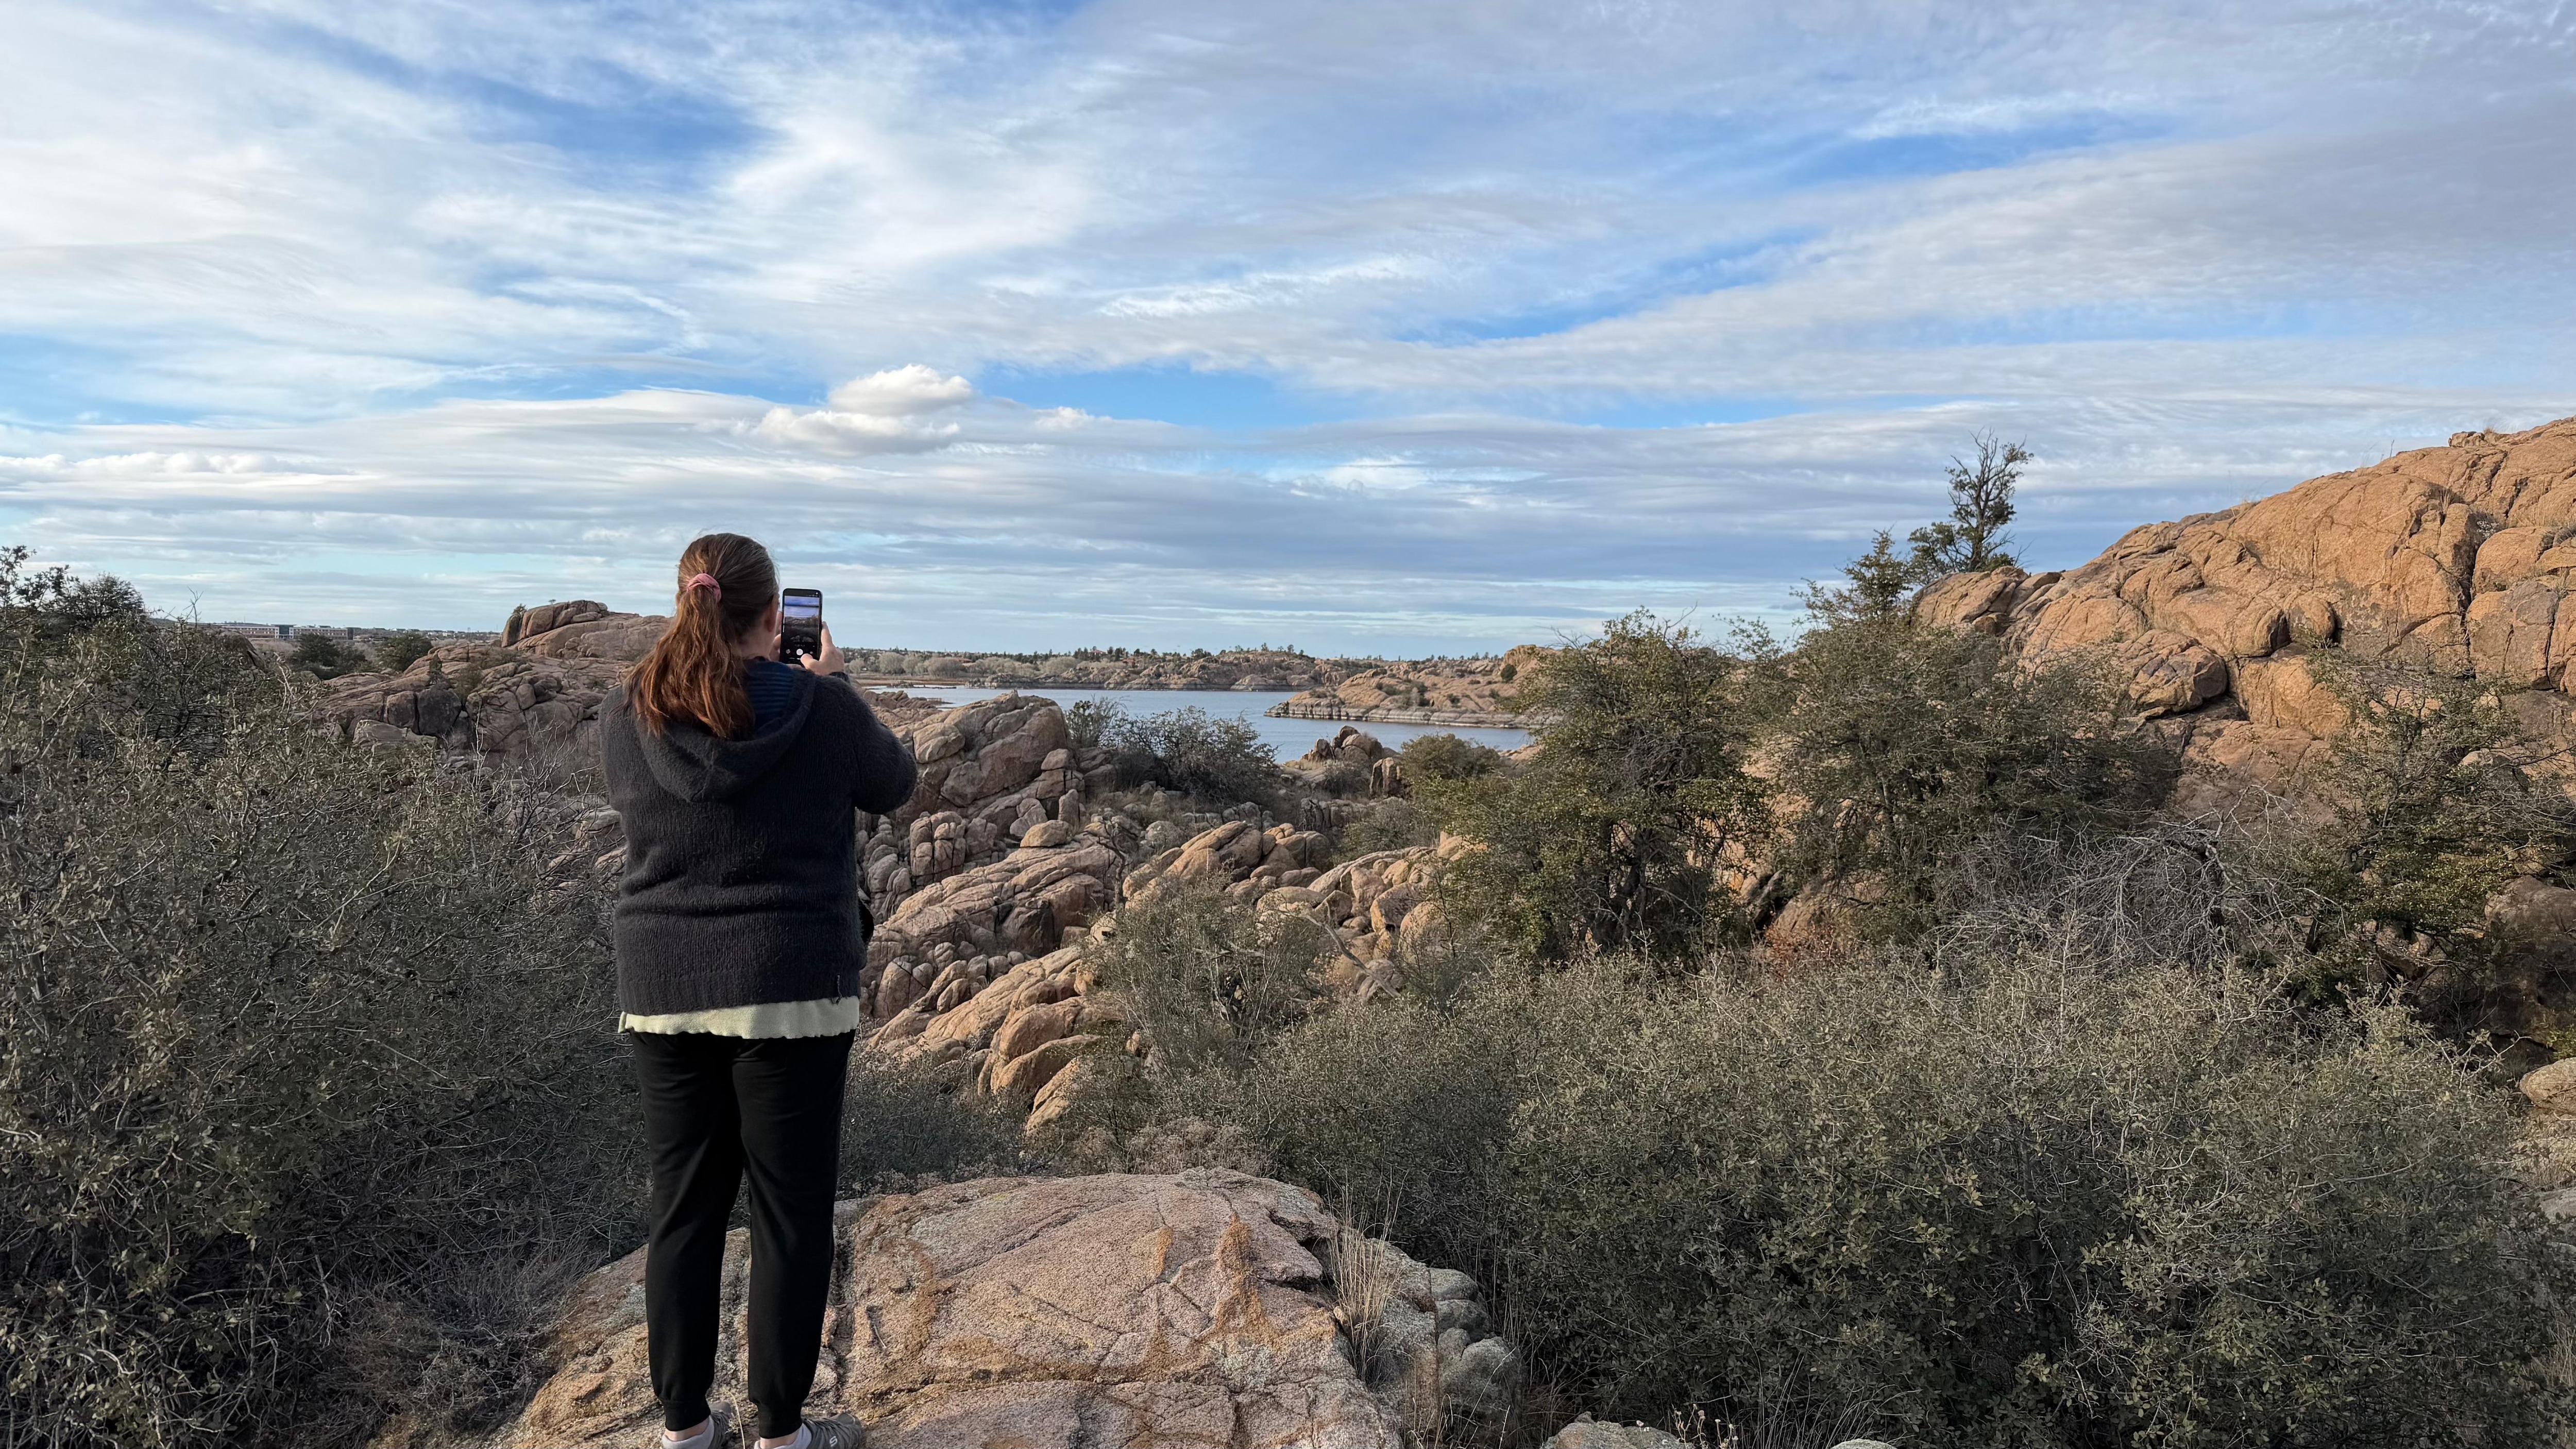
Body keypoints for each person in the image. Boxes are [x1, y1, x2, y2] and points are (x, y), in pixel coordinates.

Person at [601, 533, 916, 1449]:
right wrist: (835, 684)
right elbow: (894, 783)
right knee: (789, 1212)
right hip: (794, 988)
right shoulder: (820, 708)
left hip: (664, 985)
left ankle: (686, 1431)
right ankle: (782, 1434)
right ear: (777, 617)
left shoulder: (629, 711)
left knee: (686, 1209)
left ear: (685, 603)